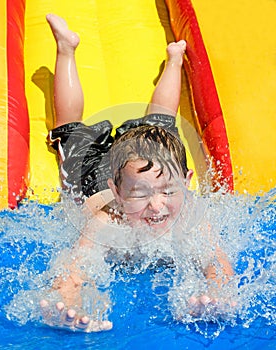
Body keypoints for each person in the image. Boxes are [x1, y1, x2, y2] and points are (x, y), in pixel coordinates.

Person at [40, 14, 234, 333]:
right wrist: (66, 304)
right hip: (97, 175)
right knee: (69, 130)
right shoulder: (106, 221)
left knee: (162, 124)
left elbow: (217, 264)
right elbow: (73, 271)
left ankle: (174, 59)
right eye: (141, 196)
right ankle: (66, 48)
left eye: (168, 191)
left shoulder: (191, 217)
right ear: (117, 194)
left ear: (186, 183)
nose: (157, 206)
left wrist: (217, 296)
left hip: (140, 165)